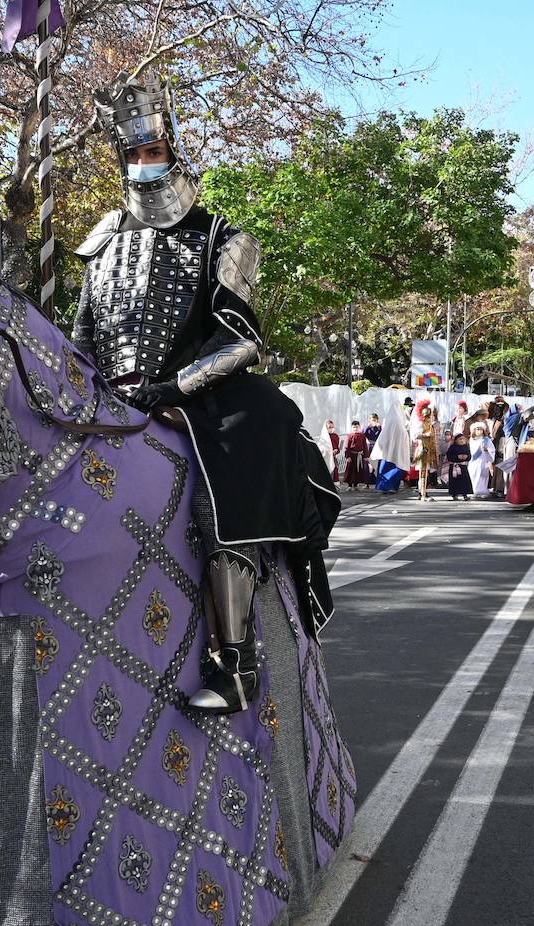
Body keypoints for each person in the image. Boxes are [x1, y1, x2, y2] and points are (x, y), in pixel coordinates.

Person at [72, 77, 339, 714]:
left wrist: (174, 386)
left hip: (195, 394)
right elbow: (80, 334)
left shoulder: (224, 237)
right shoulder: (103, 238)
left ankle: (234, 660)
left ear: (174, 146)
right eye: (132, 154)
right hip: (109, 394)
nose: (144, 164)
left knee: (249, 441)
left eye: (154, 149)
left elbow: (241, 343)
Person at [409, 399, 439, 501]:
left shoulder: (432, 426)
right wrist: (425, 435)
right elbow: (415, 436)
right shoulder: (421, 424)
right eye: (429, 416)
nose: (431, 418)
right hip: (423, 449)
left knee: (427, 471)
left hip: (430, 449)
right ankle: (422, 493)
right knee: (423, 471)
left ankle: (423, 491)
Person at [468, 421, 495, 499]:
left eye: (481, 429)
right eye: (477, 429)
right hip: (474, 461)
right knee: (474, 475)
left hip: (483, 460)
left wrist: (487, 450)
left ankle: (483, 491)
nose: (479, 431)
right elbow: (472, 450)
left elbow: (492, 449)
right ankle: (475, 491)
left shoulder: (486, 440)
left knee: (483, 476)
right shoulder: (472, 439)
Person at [343, 420, 371, 489]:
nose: (355, 428)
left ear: (359, 427)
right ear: (351, 428)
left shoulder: (362, 436)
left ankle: (356, 485)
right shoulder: (349, 436)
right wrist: (348, 456)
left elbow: (365, 447)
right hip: (352, 456)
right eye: (354, 427)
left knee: (357, 471)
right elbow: (347, 447)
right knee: (350, 470)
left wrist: (366, 456)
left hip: (360, 456)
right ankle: (349, 485)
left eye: (357, 427)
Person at [444, 433, 473, 500]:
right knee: (454, 481)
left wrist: (466, 457)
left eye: (463, 439)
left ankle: (465, 494)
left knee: (464, 481)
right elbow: (449, 457)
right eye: (460, 439)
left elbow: (469, 456)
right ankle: (454, 494)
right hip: (454, 467)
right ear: (456, 440)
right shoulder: (452, 447)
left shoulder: (466, 447)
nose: (462, 440)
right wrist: (457, 457)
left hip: (463, 467)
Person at [321, 419, 342, 486]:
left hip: (333, 457)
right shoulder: (323, 438)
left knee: (335, 470)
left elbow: (338, 448)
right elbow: (322, 448)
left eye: (332, 427)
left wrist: (336, 451)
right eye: (329, 427)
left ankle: (334, 485)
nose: (331, 429)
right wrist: (329, 452)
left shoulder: (335, 436)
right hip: (326, 458)